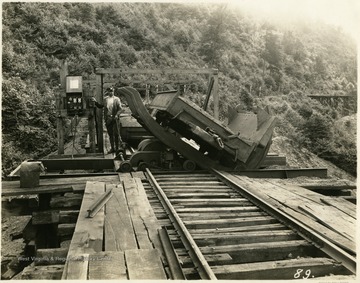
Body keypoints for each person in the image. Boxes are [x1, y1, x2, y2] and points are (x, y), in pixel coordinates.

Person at [91, 87, 123, 154]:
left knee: (116, 134)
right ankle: (112, 148)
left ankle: (117, 148)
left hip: (115, 119)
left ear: (113, 92)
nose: (111, 92)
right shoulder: (105, 99)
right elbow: (100, 106)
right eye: (110, 91)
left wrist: (117, 115)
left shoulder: (117, 99)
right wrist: (95, 102)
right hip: (108, 119)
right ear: (108, 92)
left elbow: (120, 109)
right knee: (110, 134)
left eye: (112, 91)